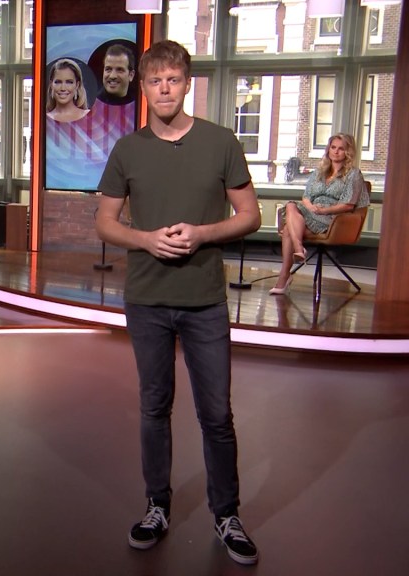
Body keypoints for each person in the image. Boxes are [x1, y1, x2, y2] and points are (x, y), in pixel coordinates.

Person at [95, 40, 262, 565]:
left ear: (187, 84)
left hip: (204, 300)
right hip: (147, 299)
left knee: (216, 413)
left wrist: (204, 233)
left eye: (172, 79)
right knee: (153, 407)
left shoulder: (221, 142)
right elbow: (104, 222)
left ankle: (227, 514)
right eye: (154, 81)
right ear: (142, 88)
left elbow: (251, 215)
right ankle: (157, 507)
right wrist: (146, 239)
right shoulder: (127, 150)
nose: (164, 89)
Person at [270, 132, 369, 295]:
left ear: (348, 152)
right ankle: (297, 251)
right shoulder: (319, 171)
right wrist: (311, 207)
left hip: (332, 218)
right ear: (328, 149)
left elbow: (348, 204)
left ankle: (286, 273)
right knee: (291, 207)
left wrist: (323, 210)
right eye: (333, 147)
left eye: (341, 149)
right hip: (310, 211)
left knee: (289, 223)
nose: (336, 151)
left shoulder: (353, 174)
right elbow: (306, 197)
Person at [46, 58, 89, 123]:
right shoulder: (43, 119)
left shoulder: (90, 116)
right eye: (58, 82)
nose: (63, 88)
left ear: (77, 85)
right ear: (51, 84)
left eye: (69, 82)